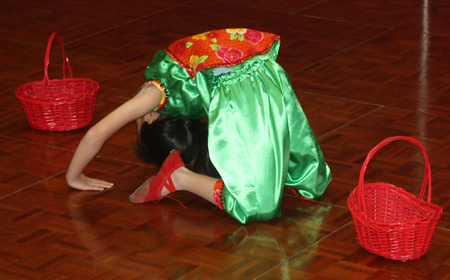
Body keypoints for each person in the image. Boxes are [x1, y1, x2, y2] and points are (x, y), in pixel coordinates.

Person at [66, 28, 332, 224]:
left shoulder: (153, 94)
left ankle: (182, 176)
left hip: (256, 73)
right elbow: (96, 133)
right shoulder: (153, 98)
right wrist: (74, 177)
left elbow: (96, 134)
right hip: (259, 72)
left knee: (297, 183)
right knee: (258, 205)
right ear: (151, 118)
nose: (136, 116)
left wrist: (74, 176)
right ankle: (180, 178)